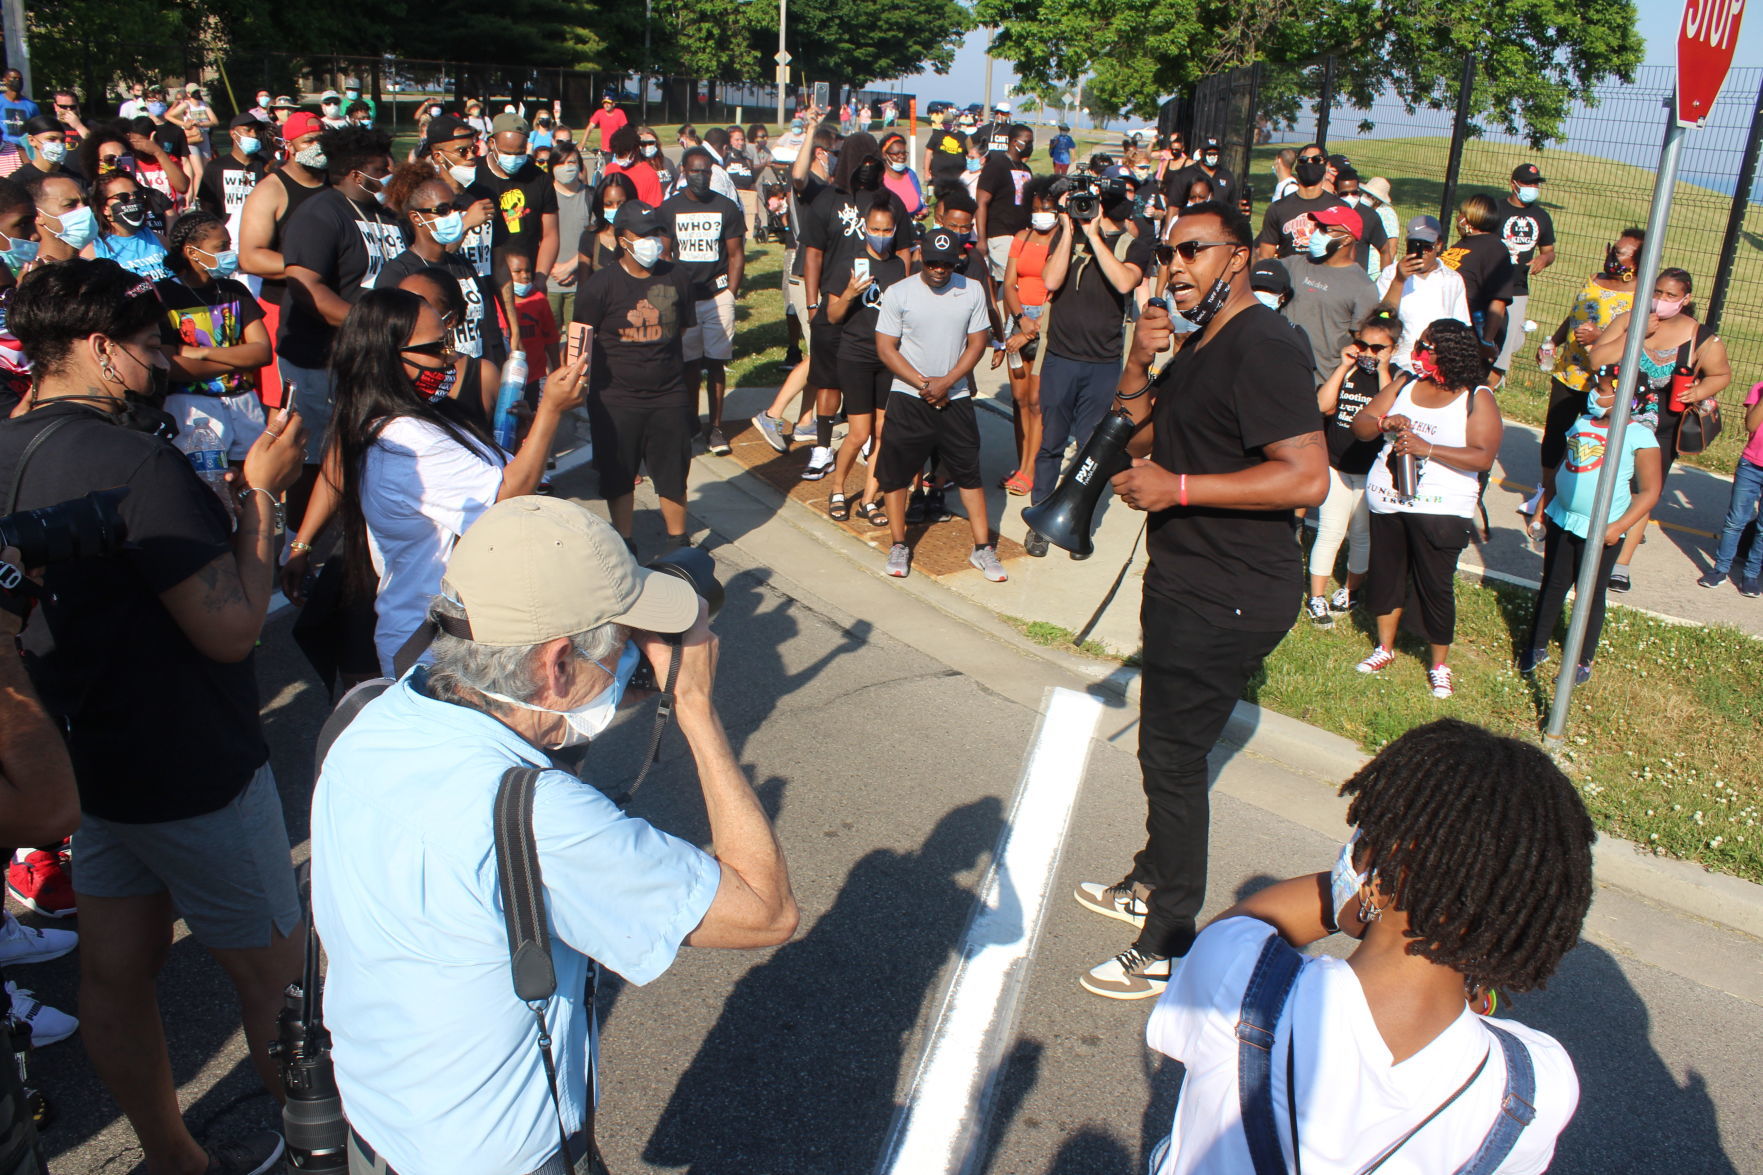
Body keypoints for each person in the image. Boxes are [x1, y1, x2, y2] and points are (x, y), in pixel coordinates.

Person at [312, 492, 796, 1175]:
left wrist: (610, 671)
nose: (632, 658)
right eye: (625, 642)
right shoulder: (538, 818)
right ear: (556, 664)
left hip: (380, 1121)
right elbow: (764, 911)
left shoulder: (374, 715)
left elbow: (516, 709)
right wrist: (692, 707)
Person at [2, 258, 310, 1175]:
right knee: (278, 984)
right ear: (99, 350)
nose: (168, 361)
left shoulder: (7, 446)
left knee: (113, 975)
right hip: (195, 764)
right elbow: (231, 628)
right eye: (149, 346)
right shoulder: (139, 460)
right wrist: (262, 494)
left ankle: (173, 1157)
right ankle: (318, 1152)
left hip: (87, 763)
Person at [1146, 718, 1592, 1174]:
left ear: (1381, 871)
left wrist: (1368, 890)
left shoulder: (1238, 977)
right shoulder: (1538, 1085)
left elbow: (1246, 925)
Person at [1075, 201, 1327, 999]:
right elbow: (1137, 432)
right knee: (1163, 741)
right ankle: (1152, 875)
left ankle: (1168, 938)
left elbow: (1306, 476)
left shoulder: (1263, 346)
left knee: (1172, 758)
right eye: (1166, 251)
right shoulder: (1196, 342)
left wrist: (1177, 489)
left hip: (1233, 591)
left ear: (1239, 256)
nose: (1175, 265)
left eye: (1192, 250)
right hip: (1186, 576)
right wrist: (1139, 361)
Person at [322, 287, 585, 673]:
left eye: (448, 343)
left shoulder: (430, 418)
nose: (449, 358)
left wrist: (534, 434)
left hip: (462, 634)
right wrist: (551, 410)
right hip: (435, 651)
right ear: (384, 358)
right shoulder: (403, 438)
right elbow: (504, 498)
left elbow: (510, 476)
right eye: (433, 349)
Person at [1349, 319, 1503, 698]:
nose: (1420, 351)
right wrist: (1386, 421)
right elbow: (1362, 424)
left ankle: (1438, 665)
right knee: (1387, 575)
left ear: (1452, 352)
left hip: (1442, 506)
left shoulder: (1475, 396)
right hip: (1389, 498)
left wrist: (1427, 448)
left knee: (1435, 585)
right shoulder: (1405, 381)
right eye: (1420, 343)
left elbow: (1483, 456)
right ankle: (1384, 648)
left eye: (1428, 346)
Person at [1023, 181, 1154, 558]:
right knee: (1050, 443)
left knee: (1090, 451)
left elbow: (1125, 280)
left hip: (1102, 364)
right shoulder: (1065, 237)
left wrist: (1095, 236)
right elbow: (1050, 281)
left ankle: (1077, 521)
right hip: (1061, 359)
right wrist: (1068, 229)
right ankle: (1041, 520)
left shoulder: (1133, 244)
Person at [872, 226, 1003, 581]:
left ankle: (982, 549)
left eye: (946, 264)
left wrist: (947, 382)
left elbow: (977, 343)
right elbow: (886, 347)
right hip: (908, 395)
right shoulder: (899, 292)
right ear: (920, 257)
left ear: (956, 261)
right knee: (897, 474)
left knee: (968, 473)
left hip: (955, 395)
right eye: (932, 263)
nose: (939, 270)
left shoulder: (972, 289)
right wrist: (923, 383)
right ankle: (899, 543)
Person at [1587, 267, 1730, 592]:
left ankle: (1621, 564)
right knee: (1602, 483)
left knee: (1642, 493)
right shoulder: (1630, 319)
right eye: (1657, 293)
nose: (1661, 301)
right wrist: (1633, 334)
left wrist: (1697, 392)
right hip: (1616, 420)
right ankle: (1591, 546)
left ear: (1686, 299)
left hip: (1661, 431)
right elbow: (1597, 361)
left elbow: (1720, 375)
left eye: (1670, 296)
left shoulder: (1701, 337)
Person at [1519, 368, 1663, 683]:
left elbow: (1650, 492)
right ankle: (1538, 645)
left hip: (1602, 530)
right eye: (1598, 387)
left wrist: (1617, 527)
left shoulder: (1639, 436)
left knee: (1590, 592)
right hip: (1562, 519)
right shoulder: (1582, 423)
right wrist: (1542, 510)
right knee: (1553, 585)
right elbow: (1562, 468)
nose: (1597, 394)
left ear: (1629, 398)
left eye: (1606, 388)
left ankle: (1582, 660)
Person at [278, 125, 404, 471]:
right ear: (355, 174)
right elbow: (308, 289)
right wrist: (368, 327)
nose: (388, 176)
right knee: (321, 458)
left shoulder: (388, 216)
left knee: (368, 454)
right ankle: (310, 527)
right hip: (321, 361)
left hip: (373, 356)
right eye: (380, 170)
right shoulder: (318, 213)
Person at [573, 201, 698, 547]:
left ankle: (678, 542)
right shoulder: (600, 286)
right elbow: (580, 338)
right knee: (619, 476)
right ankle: (625, 542)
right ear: (621, 240)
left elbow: (683, 330)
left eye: (656, 233)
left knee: (673, 474)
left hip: (668, 396)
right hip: (615, 399)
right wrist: (575, 382)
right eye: (641, 235)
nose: (651, 241)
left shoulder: (677, 277)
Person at [797, 132, 913, 482]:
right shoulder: (827, 200)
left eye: (872, 164)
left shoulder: (889, 200)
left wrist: (904, 297)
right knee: (827, 379)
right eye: (860, 164)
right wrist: (812, 302)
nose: (866, 170)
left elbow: (905, 249)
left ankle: (866, 442)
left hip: (877, 309)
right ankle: (822, 446)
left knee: (875, 380)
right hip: (835, 301)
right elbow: (813, 254)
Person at [1525, 229, 1646, 517]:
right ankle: (1544, 495)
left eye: (1619, 252)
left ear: (1638, 262)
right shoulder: (1594, 279)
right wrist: (1553, 341)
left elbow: (1635, 337)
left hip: (1603, 378)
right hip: (1569, 371)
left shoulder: (1642, 295)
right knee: (1556, 432)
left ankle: (1592, 500)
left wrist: (1599, 336)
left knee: (1594, 439)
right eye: (1612, 248)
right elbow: (1575, 314)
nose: (1611, 256)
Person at [1306, 313, 1399, 626]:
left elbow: (1390, 410)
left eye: (1378, 349)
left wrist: (1384, 370)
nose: (1369, 354)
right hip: (1336, 465)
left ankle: (1349, 589)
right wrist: (1343, 366)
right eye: (1363, 345)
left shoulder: (1394, 379)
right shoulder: (1348, 373)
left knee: (1361, 535)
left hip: (1370, 471)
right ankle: (1316, 597)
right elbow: (1322, 406)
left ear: (1393, 350)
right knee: (1330, 531)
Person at [158, 208, 272, 461]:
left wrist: (202, 353)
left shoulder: (235, 290)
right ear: (191, 252)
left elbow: (262, 352)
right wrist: (238, 361)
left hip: (244, 403)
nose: (229, 254)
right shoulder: (164, 296)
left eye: (229, 246)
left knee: (249, 476)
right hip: (193, 408)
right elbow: (173, 366)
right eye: (221, 247)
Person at [825, 195, 910, 527]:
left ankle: (868, 498)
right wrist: (848, 293)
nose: (881, 234)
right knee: (859, 433)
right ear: (864, 228)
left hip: (888, 357)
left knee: (883, 432)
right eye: (875, 228)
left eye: (887, 229)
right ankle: (836, 488)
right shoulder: (849, 261)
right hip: (856, 355)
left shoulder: (898, 267)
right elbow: (832, 316)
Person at [237, 109, 328, 413]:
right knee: (285, 409)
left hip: (331, 311)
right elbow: (251, 256)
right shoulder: (271, 190)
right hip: (284, 311)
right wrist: (311, 267)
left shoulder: (335, 184)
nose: (318, 147)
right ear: (288, 146)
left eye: (322, 139)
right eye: (309, 141)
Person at [658, 148, 743, 456]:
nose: (700, 176)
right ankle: (691, 422)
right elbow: (664, 254)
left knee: (717, 363)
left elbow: (736, 254)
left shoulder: (726, 207)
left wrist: (731, 292)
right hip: (685, 299)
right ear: (683, 171)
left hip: (717, 295)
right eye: (695, 171)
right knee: (689, 364)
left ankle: (716, 427)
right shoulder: (670, 208)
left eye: (706, 171)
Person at [378, 166, 505, 371]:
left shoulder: (462, 264)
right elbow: (388, 344)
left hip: (474, 378)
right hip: (432, 382)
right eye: (443, 210)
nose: (454, 215)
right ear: (416, 218)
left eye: (455, 207)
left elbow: (486, 328)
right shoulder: (398, 273)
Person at [467, 113, 561, 334]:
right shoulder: (474, 175)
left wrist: (540, 277)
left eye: (520, 152)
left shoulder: (540, 179)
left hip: (524, 281)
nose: (515, 158)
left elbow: (550, 234)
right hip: (485, 280)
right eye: (508, 152)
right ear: (492, 143)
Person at [998, 176, 1059, 497]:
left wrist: (1033, 327)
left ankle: (1031, 470)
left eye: (1047, 209)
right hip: (1019, 318)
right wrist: (1019, 321)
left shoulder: (1062, 240)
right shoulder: (1021, 237)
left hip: (1046, 323)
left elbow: (1058, 289)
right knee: (1019, 400)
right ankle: (1022, 465)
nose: (1041, 215)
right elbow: (1009, 283)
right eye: (1036, 209)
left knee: (1037, 403)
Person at [1283, 204, 1380, 386]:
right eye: (1317, 226)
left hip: (1319, 385)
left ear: (1346, 239)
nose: (1317, 232)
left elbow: (1361, 342)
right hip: (1278, 372)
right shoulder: (1292, 264)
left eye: (1325, 229)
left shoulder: (1363, 287)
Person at [1376, 215, 1470, 372]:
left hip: (1436, 365)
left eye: (1427, 247)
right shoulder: (1391, 274)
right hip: (1397, 364)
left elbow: (1461, 326)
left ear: (1439, 245)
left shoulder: (1452, 279)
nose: (1421, 253)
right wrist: (1399, 280)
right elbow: (1381, 318)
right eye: (1415, 246)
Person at [1491, 164, 1555, 381]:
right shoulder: (1496, 210)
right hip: (1490, 284)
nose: (1533, 187)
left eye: (1536, 184)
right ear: (1514, 184)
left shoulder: (1541, 216)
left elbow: (1549, 251)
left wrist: (1544, 259)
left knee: (1508, 344)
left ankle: (1493, 381)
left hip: (1517, 288)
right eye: (1528, 183)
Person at [1440, 194, 1515, 366]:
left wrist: (1486, 341)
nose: (1458, 218)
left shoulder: (1494, 248)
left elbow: (1499, 301)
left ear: (1470, 218)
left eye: (1461, 214)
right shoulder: (1464, 243)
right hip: (1450, 328)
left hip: (1474, 334)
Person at [1703, 381, 1763, 597]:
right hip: (1751, 465)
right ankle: (1720, 569)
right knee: (1735, 521)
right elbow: (1752, 425)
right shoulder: (1759, 388)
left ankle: (1751, 575)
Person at [196, 115, 268, 267]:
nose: (254, 135)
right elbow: (207, 206)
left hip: (259, 238)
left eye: (256, 132)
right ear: (233, 133)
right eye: (248, 130)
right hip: (226, 243)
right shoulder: (216, 167)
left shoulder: (265, 166)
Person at [975, 125, 1034, 282]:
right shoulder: (996, 166)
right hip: (1000, 234)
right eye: (1027, 142)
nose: (1030, 146)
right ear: (1015, 142)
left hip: (1022, 235)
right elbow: (981, 202)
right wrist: (981, 239)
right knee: (1010, 279)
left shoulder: (1026, 169)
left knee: (1016, 278)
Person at [86, 173, 172, 279]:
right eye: (124, 197)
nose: (133, 200)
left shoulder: (158, 239)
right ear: (105, 208)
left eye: (137, 195)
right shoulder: (94, 250)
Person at [545, 143, 590, 324]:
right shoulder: (544, 196)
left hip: (580, 282)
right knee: (549, 342)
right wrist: (553, 268)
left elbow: (596, 237)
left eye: (571, 162)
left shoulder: (590, 196)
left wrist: (572, 265)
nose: (567, 168)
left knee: (576, 341)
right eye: (561, 163)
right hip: (549, 283)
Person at [579, 171, 637, 280]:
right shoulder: (589, 238)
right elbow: (584, 287)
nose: (615, 209)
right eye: (608, 204)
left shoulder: (641, 237)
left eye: (621, 204)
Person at [29, 172, 96, 264]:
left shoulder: (95, 270)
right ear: (38, 215)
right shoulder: (32, 275)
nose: (84, 209)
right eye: (69, 205)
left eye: (86, 202)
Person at [603, 124, 663, 207]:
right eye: (618, 154)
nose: (621, 158)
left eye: (624, 154)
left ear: (635, 150)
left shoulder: (649, 175)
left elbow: (653, 209)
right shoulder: (610, 169)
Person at [878, 132, 923, 218]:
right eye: (896, 153)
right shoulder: (879, 177)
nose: (901, 156)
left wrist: (922, 210)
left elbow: (920, 201)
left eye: (904, 153)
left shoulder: (910, 174)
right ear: (884, 155)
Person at [165, 86, 216, 161]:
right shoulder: (183, 106)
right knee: (192, 164)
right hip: (189, 136)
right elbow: (168, 115)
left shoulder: (202, 105)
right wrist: (183, 123)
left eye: (182, 99)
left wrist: (200, 124)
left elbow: (214, 122)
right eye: (178, 99)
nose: (180, 101)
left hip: (203, 135)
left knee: (206, 164)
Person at [924, 109, 969, 189]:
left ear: (954, 122)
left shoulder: (963, 136)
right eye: (945, 124)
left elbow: (972, 154)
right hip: (938, 177)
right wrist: (926, 172)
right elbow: (928, 153)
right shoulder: (937, 135)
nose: (947, 126)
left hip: (957, 178)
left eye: (949, 124)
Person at [19, 116, 72, 182]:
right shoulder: (19, 180)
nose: (59, 144)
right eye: (51, 139)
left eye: (62, 140)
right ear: (32, 140)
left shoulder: (74, 179)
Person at [0, 74, 37, 148]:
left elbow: (37, 128)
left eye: (20, 79)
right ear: (5, 80)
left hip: (25, 148)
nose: (17, 81)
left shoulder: (31, 105)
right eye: (14, 78)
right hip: (4, 149)